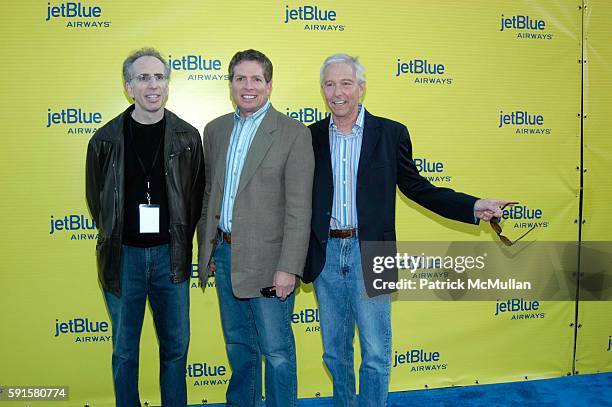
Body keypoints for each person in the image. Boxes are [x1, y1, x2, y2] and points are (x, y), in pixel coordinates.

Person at [303, 53, 510, 407]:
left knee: (375, 353)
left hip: (374, 251)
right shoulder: (309, 137)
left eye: (346, 83)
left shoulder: (391, 133)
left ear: (362, 88)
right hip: (324, 254)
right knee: (334, 354)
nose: (338, 92)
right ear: (322, 89)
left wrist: (473, 207)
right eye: (330, 83)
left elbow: (418, 188)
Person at [85, 47, 204, 407]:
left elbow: (195, 198)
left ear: (167, 85)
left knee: (176, 349)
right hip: (124, 259)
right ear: (128, 87)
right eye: (143, 78)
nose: (152, 85)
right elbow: (97, 201)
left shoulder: (188, 137)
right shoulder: (104, 141)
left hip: (172, 257)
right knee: (124, 351)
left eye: (159, 77)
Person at [197, 49, 314, 407]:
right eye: (240, 79)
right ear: (230, 84)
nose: (248, 87)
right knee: (239, 346)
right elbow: (208, 195)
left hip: (270, 262)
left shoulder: (293, 133)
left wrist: (288, 267)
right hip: (226, 253)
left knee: (277, 352)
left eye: (256, 79)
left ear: (270, 85)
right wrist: (209, 247)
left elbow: (299, 208)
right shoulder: (215, 130)